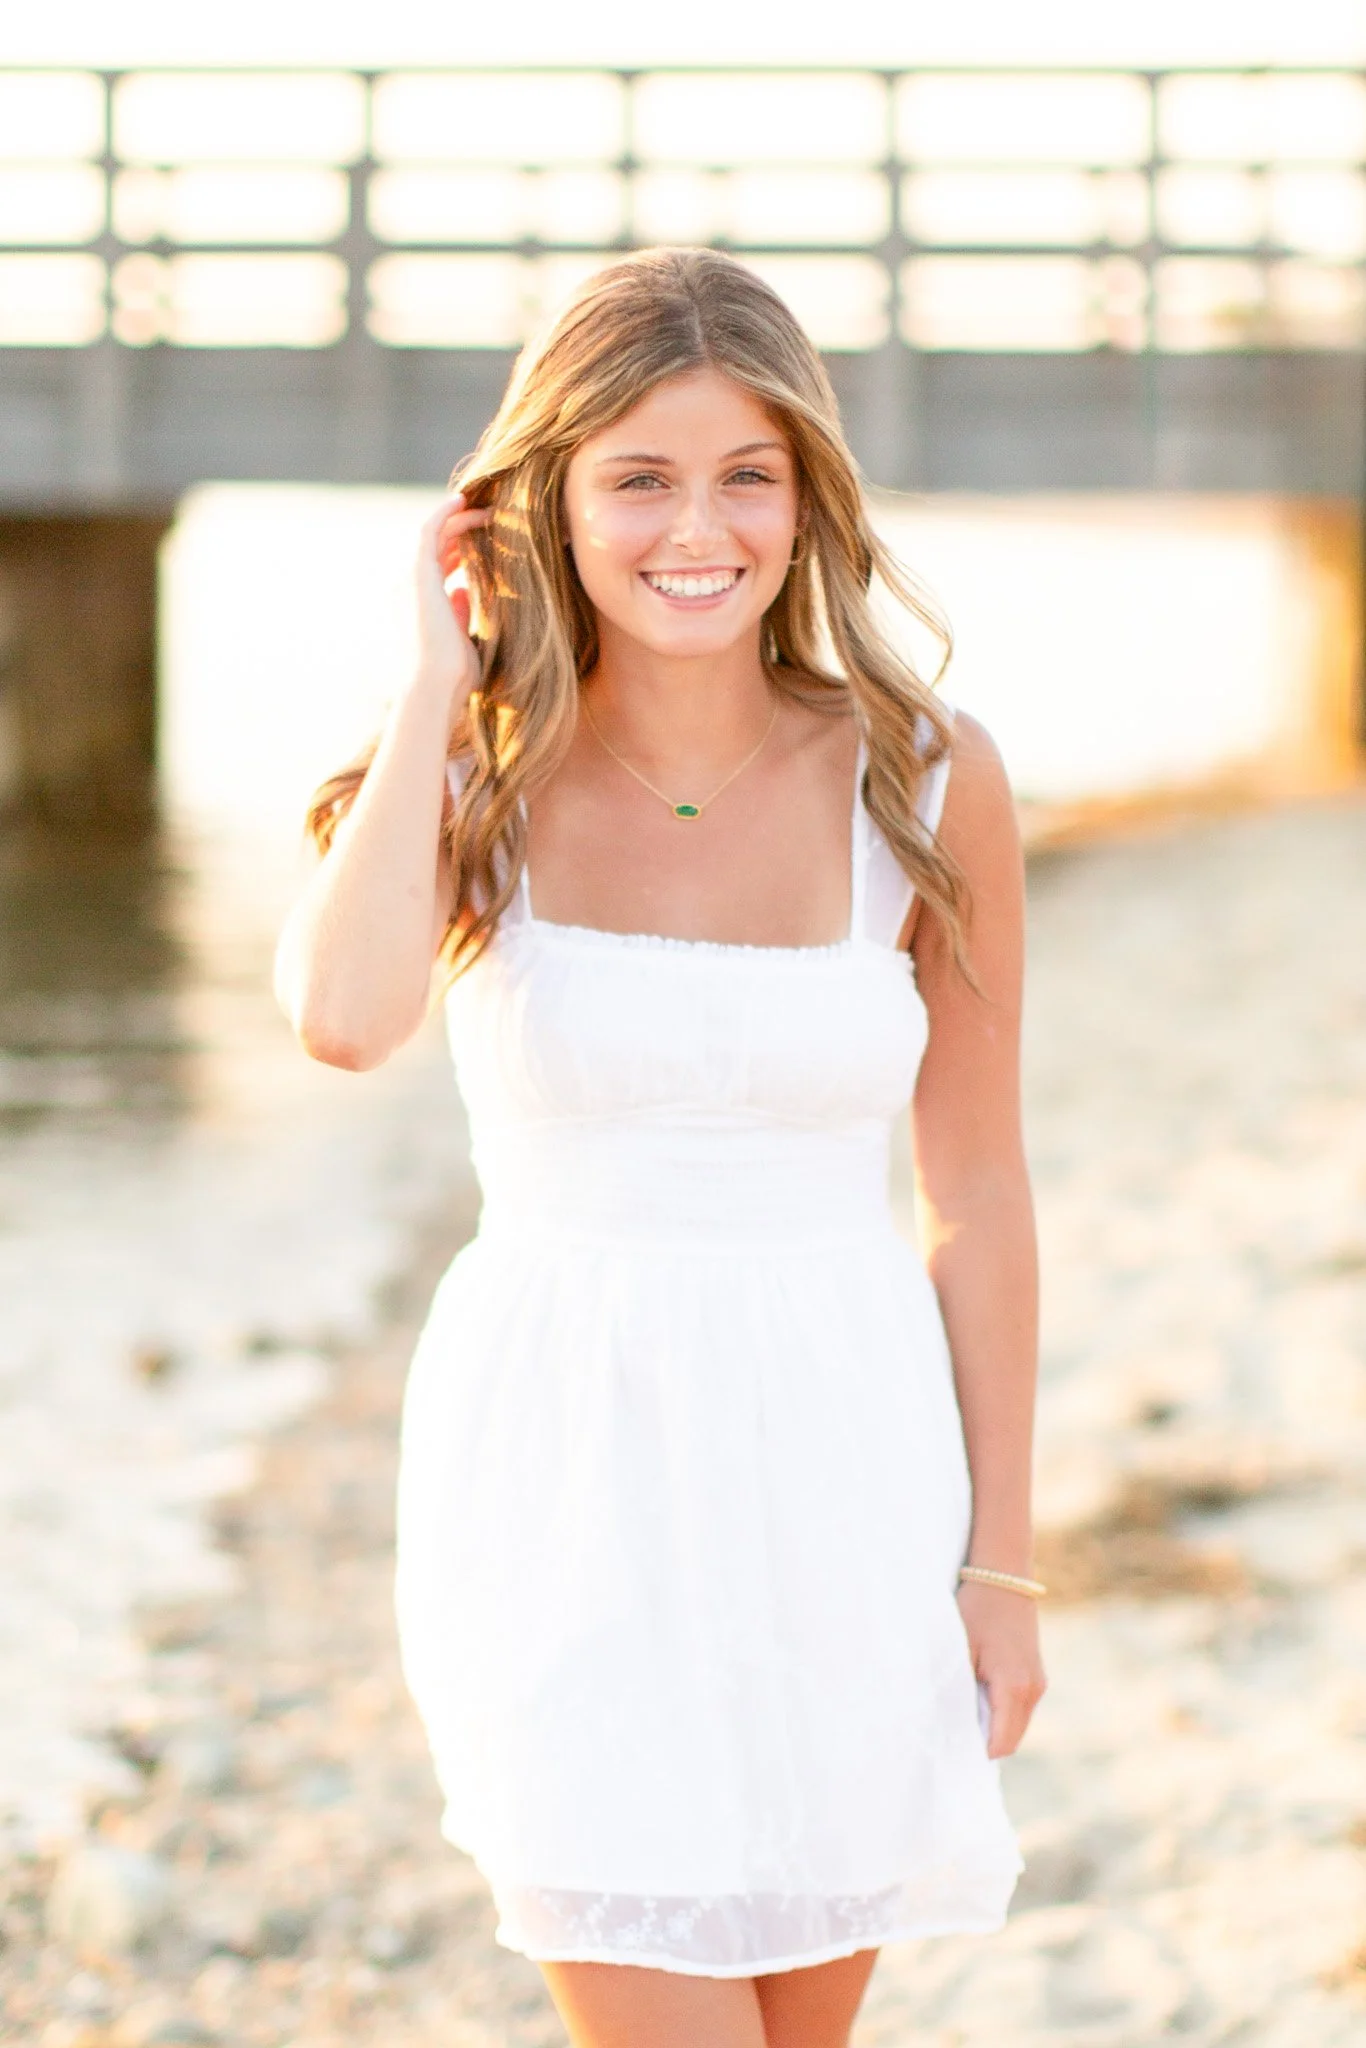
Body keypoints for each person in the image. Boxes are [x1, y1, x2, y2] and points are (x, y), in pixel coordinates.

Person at [274, 246, 1045, 2048]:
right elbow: (340, 1015)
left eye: (743, 476)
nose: (695, 527)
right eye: (636, 475)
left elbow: (980, 1191)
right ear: (541, 500)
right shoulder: (471, 775)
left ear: (805, 499)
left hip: (846, 1473)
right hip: (558, 1487)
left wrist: (997, 1563)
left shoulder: (928, 776)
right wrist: (429, 687)